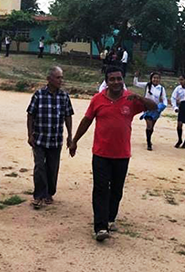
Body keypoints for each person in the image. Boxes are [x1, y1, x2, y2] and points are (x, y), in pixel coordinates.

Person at [69, 66, 157, 242]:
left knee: (116, 191)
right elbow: (87, 120)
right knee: (101, 189)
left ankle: (110, 218)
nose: (116, 82)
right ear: (107, 82)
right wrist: (75, 140)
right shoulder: (97, 99)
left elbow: (153, 107)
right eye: (112, 79)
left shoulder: (130, 98)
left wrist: (140, 98)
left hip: (122, 154)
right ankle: (100, 227)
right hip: (101, 153)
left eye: (119, 79)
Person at [26, 66, 74, 209]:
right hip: (40, 139)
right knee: (40, 166)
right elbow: (30, 115)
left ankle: (49, 193)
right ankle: (39, 195)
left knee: (52, 168)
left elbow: (68, 116)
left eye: (61, 77)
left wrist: (70, 135)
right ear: (49, 79)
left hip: (55, 139)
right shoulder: (38, 95)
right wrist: (30, 135)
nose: (61, 80)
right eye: (58, 77)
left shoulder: (64, 96)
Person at [133, 71, 168, 151]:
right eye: (154, 78)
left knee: (152, 126)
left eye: (158, 78)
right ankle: (148, 142)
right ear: (151, 78)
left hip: (156, 110)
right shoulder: (147, 85)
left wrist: (163, 106)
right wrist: (136, 77)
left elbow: (164, 99)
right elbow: (136, 84)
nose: (156, 80)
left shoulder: (161, 89)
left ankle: (149, 137)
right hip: (147, 108)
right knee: (149, 124)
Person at [171, 74, 185, 149]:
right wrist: (175, 107)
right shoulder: (178, 88)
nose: (180, 82)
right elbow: (173, 98)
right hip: (182, 105)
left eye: (182, 80)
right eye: (179, 80)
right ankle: (180, 139)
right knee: (179, 124)